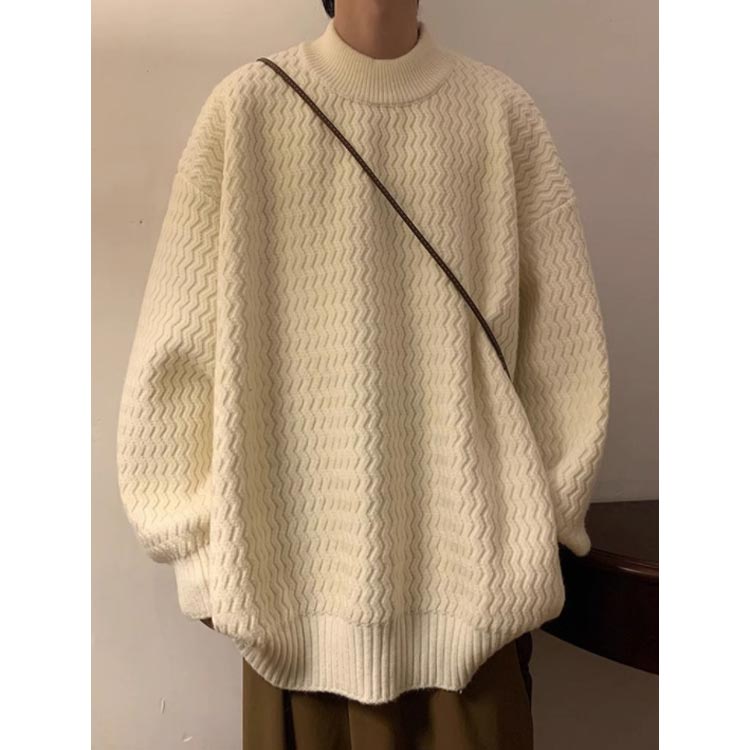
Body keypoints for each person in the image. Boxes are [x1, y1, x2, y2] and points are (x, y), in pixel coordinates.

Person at [116, 0, 610, 747]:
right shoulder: (247, 111)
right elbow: (172, 357)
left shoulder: (500, 115)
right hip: (292, 622)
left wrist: (534, 533)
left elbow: (566, 356)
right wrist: (205, 561)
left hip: (474, 613)